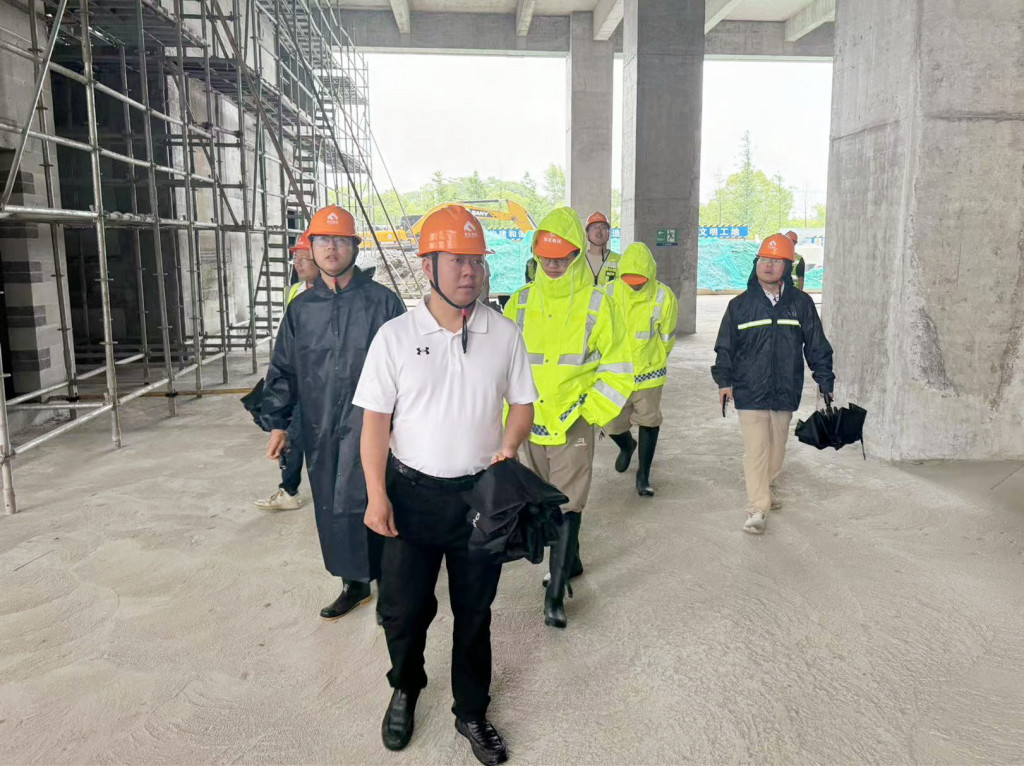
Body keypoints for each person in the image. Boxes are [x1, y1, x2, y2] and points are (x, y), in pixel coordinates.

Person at [354, 204, 536, 765]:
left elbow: (522, 404)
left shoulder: (503, 333)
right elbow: (374, 424)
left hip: (479, 500)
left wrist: (510, 445)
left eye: (476, 261)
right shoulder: (395, 337)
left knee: (475, 611)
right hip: (410, 496)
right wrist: (377, 494)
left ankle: (471, 710)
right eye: (457, 260)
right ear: (428, 264)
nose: (470, 272)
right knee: (403, 610)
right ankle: (406, 686)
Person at [261, 205, 405, 618]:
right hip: (320, 424)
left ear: (354, 247)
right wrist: (278, 425)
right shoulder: (302, 309)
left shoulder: (383, 303)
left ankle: (390, 589)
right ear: (312, 247)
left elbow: (410, 366)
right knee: (333, 506)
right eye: (323, 240)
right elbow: (284, 368)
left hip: (375, 427)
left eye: (340, 240)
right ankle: (354, 584)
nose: (331, 248)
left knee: (380, 499)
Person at [504, 206, 633, 629]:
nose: (553, 265)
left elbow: (618, 366)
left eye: (562, 257)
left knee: (567, 502)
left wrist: (591, 413)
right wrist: (505, 421)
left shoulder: (599, 303)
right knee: (543, 499)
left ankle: (555, 592)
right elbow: (502, 367)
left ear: (577, 253)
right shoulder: (520, 303)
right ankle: (571, 561)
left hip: (574, 419)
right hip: (529, 421)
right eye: (546, 257)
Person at [711, 233, 835, 535]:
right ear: (756, 263)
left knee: (777, 447)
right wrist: (724, 381)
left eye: (776, 261)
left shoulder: (801, 304)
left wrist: (824, 378)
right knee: (756, 449)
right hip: (749, 387)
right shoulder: (740, 306)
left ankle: (767, 485)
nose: (768, 265)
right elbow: (725, 347)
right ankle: (757, 507)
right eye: (764, 259)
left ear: (787, 267)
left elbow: (816, 345)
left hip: (785, 387)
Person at [603, 242, 678, 497]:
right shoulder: (608, 292)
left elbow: (667, 337)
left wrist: (654, 360)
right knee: (610, 423)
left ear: (650, 274)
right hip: (615, 374)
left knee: (649, 420)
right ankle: (627, 446)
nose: (635, 285)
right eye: (630, 280)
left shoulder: (663, 296)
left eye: (640, 280)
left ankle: (643, 474)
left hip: (649, 373)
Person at [254, 230, 317, 512]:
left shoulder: (335, 298)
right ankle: (289, 489)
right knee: (288, 432)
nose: (298, 263)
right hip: (295, 378)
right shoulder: (295, 292)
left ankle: (292, 490)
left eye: (304, 258)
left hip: (314, 382)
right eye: (296, 258)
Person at [584, 211, 621, 284]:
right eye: (594, 227)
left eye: (603, 227)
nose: (598, 231)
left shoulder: (620, 261)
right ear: (587, 234)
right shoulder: (578, 260)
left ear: (609, 233)